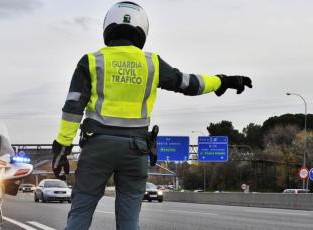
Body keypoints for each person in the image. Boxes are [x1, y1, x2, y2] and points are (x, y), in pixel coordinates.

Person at [51, 1, 252, 230]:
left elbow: (73, 107)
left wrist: (62, 146)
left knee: (80, 212)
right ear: (142, 30)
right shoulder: (151, 64)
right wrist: (222, 81)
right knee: (129, 219)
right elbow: (187, 83)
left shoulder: (91, 61)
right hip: (135, 150)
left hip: (97, 148)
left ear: (107, 27)